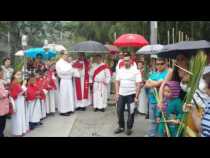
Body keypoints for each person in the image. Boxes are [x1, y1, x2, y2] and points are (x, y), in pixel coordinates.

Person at [114, 53, 142, 135]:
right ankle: (121, 127)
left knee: (131, 111)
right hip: (121, 94)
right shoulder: (120, 70)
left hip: (132, 94)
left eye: (127, 60)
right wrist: (116, 93)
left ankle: (129, 128)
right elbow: (117, 82)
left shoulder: (136, 71)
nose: (126, 62)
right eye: (124, 60)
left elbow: (138, 84)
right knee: (119, 111)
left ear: (131, 61)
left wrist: (136, 96)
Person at [144, 57, 169, 137]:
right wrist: (157, 83)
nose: (159, 66)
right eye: (158, 64)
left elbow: (162, 84)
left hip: (162, 101)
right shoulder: (153, 74)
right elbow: (146, 85)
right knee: (152, 121)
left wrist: (152, 82)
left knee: (161, 121)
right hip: (152, 101)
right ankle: (152, 134)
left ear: (166, 63)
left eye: (162, 63)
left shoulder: (168, 73)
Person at [183, 72, 210, 137]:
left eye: (206, 87)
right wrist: (193, 111)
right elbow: (202, 129)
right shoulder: (208, 104)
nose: (204, 89)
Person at [56, 51, 79, 116]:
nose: (67, 56)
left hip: (69, 80)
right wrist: (70, 70)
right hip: (64, 80)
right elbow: (62, 72)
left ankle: (69, 109)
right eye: (66, 54)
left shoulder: (66, 63)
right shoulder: (59, 63)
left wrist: (74, 70)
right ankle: (63, 111)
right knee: (64, 95)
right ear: (62, 55)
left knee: (69, 95)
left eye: (67, 54)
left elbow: (72, 70)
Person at [9, 71, 28, 136]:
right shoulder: (14, 83)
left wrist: (23, 88)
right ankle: (17, 132)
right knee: (18, 116)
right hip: (17, 101)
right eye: (18, 74)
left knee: (21, 115)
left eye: (20, 74)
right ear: (14, 75)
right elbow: (14, 94)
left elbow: (21, 92)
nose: (19, 76)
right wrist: (23, 86)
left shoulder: (17, 82)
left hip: (20, 100)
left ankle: (21, 130)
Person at [0, 68, 10, 137]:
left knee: (2, 120)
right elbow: (2, 94)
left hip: (3, 104)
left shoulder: (2, 81)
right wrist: (7, 91)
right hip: (1, 104)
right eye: (1, 73)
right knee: (2, 121)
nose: (2, 74)